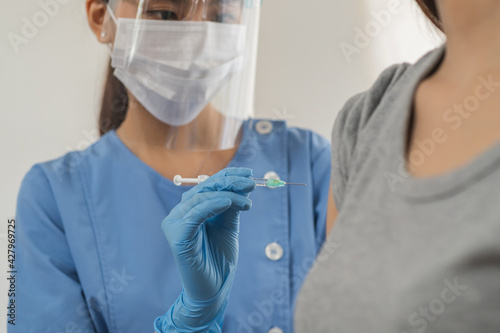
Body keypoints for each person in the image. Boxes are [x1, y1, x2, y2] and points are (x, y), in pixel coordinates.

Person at [162, 0, 500, 332]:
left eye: (220, 14)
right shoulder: (372, 115)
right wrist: (197, 320)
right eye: (163, 14)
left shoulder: (314, 152)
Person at [10, 0, 336, 332]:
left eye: (221, 16)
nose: (197, 40)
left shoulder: (309, 162)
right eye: (165, 13)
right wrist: (190, 323)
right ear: (101, 18)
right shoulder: (53, 196)